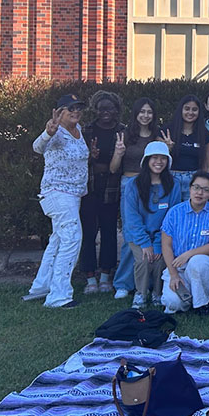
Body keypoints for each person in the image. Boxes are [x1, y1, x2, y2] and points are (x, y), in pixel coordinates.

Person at [24, 94, 89, 308]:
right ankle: (59, 296)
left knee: (58, 241)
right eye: (70, 109)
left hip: (73, 195)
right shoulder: (56, 132)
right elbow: (37, 147)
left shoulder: (79, 132)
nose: (75, 112)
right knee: (72, 239)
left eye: (78, 108)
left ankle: (41, 287)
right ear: (59, 112)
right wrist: (47, 133)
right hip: (57, 193)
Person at [113, 97, 162, 299]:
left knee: (152, 233)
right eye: (142, 111)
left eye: (149, 112)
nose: (145, 115)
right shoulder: (125, 135)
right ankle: (124, 283)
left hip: (153, 187)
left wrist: (170, 147)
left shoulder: (158, 136)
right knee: (130, 237)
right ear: (135, 113)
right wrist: (118, 153)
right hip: (129, 185)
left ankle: (147, 283)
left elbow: (163, 163)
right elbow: (114, 168)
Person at [122, 141, 181, 308]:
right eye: (154, 157)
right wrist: (145, 243)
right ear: (146, 160)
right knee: (143, 258)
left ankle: (157, 293)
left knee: (161, 258)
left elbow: (172, 217)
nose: (158, 162)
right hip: (138, 235)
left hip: (162, 235)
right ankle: (140, 293)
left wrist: (157, 243)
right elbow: (132, 218)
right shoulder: (133, 185)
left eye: (163, 158)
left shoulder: (174, 184)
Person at [160, 171, 209, 315]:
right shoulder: (174, 212)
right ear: (190, 188)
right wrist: (174, 275)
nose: (199, 192)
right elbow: (166, 245)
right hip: (178, 265)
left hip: (208, 261)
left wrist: (189, 254)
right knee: (173, 304)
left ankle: (202, 305)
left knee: (197, 262)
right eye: (196, 187)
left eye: (205, 189)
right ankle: (191, 297)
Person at [78, 91, 125, 295]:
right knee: (88, 232)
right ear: (95, 109)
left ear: (116, 110)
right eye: (101, 108)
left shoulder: (123, 131)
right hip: (89, 187)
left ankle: (106, 275)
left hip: (112, 187)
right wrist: (90, 157)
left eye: (110, 108)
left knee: (109, 232)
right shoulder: (86, 130)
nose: (105, 112)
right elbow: (77, 159)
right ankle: (89, 277)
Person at [161, 95, 209, 202]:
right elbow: (157, 160)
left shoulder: (205, 134)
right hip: (171, 178)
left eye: (194, 110)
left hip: (194, 180)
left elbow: (207, 164)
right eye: (187, 109)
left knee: (191, 213)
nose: (190, 112)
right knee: (170, 212)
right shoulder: (167, 131)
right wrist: (167, 149)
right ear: (181, 110)